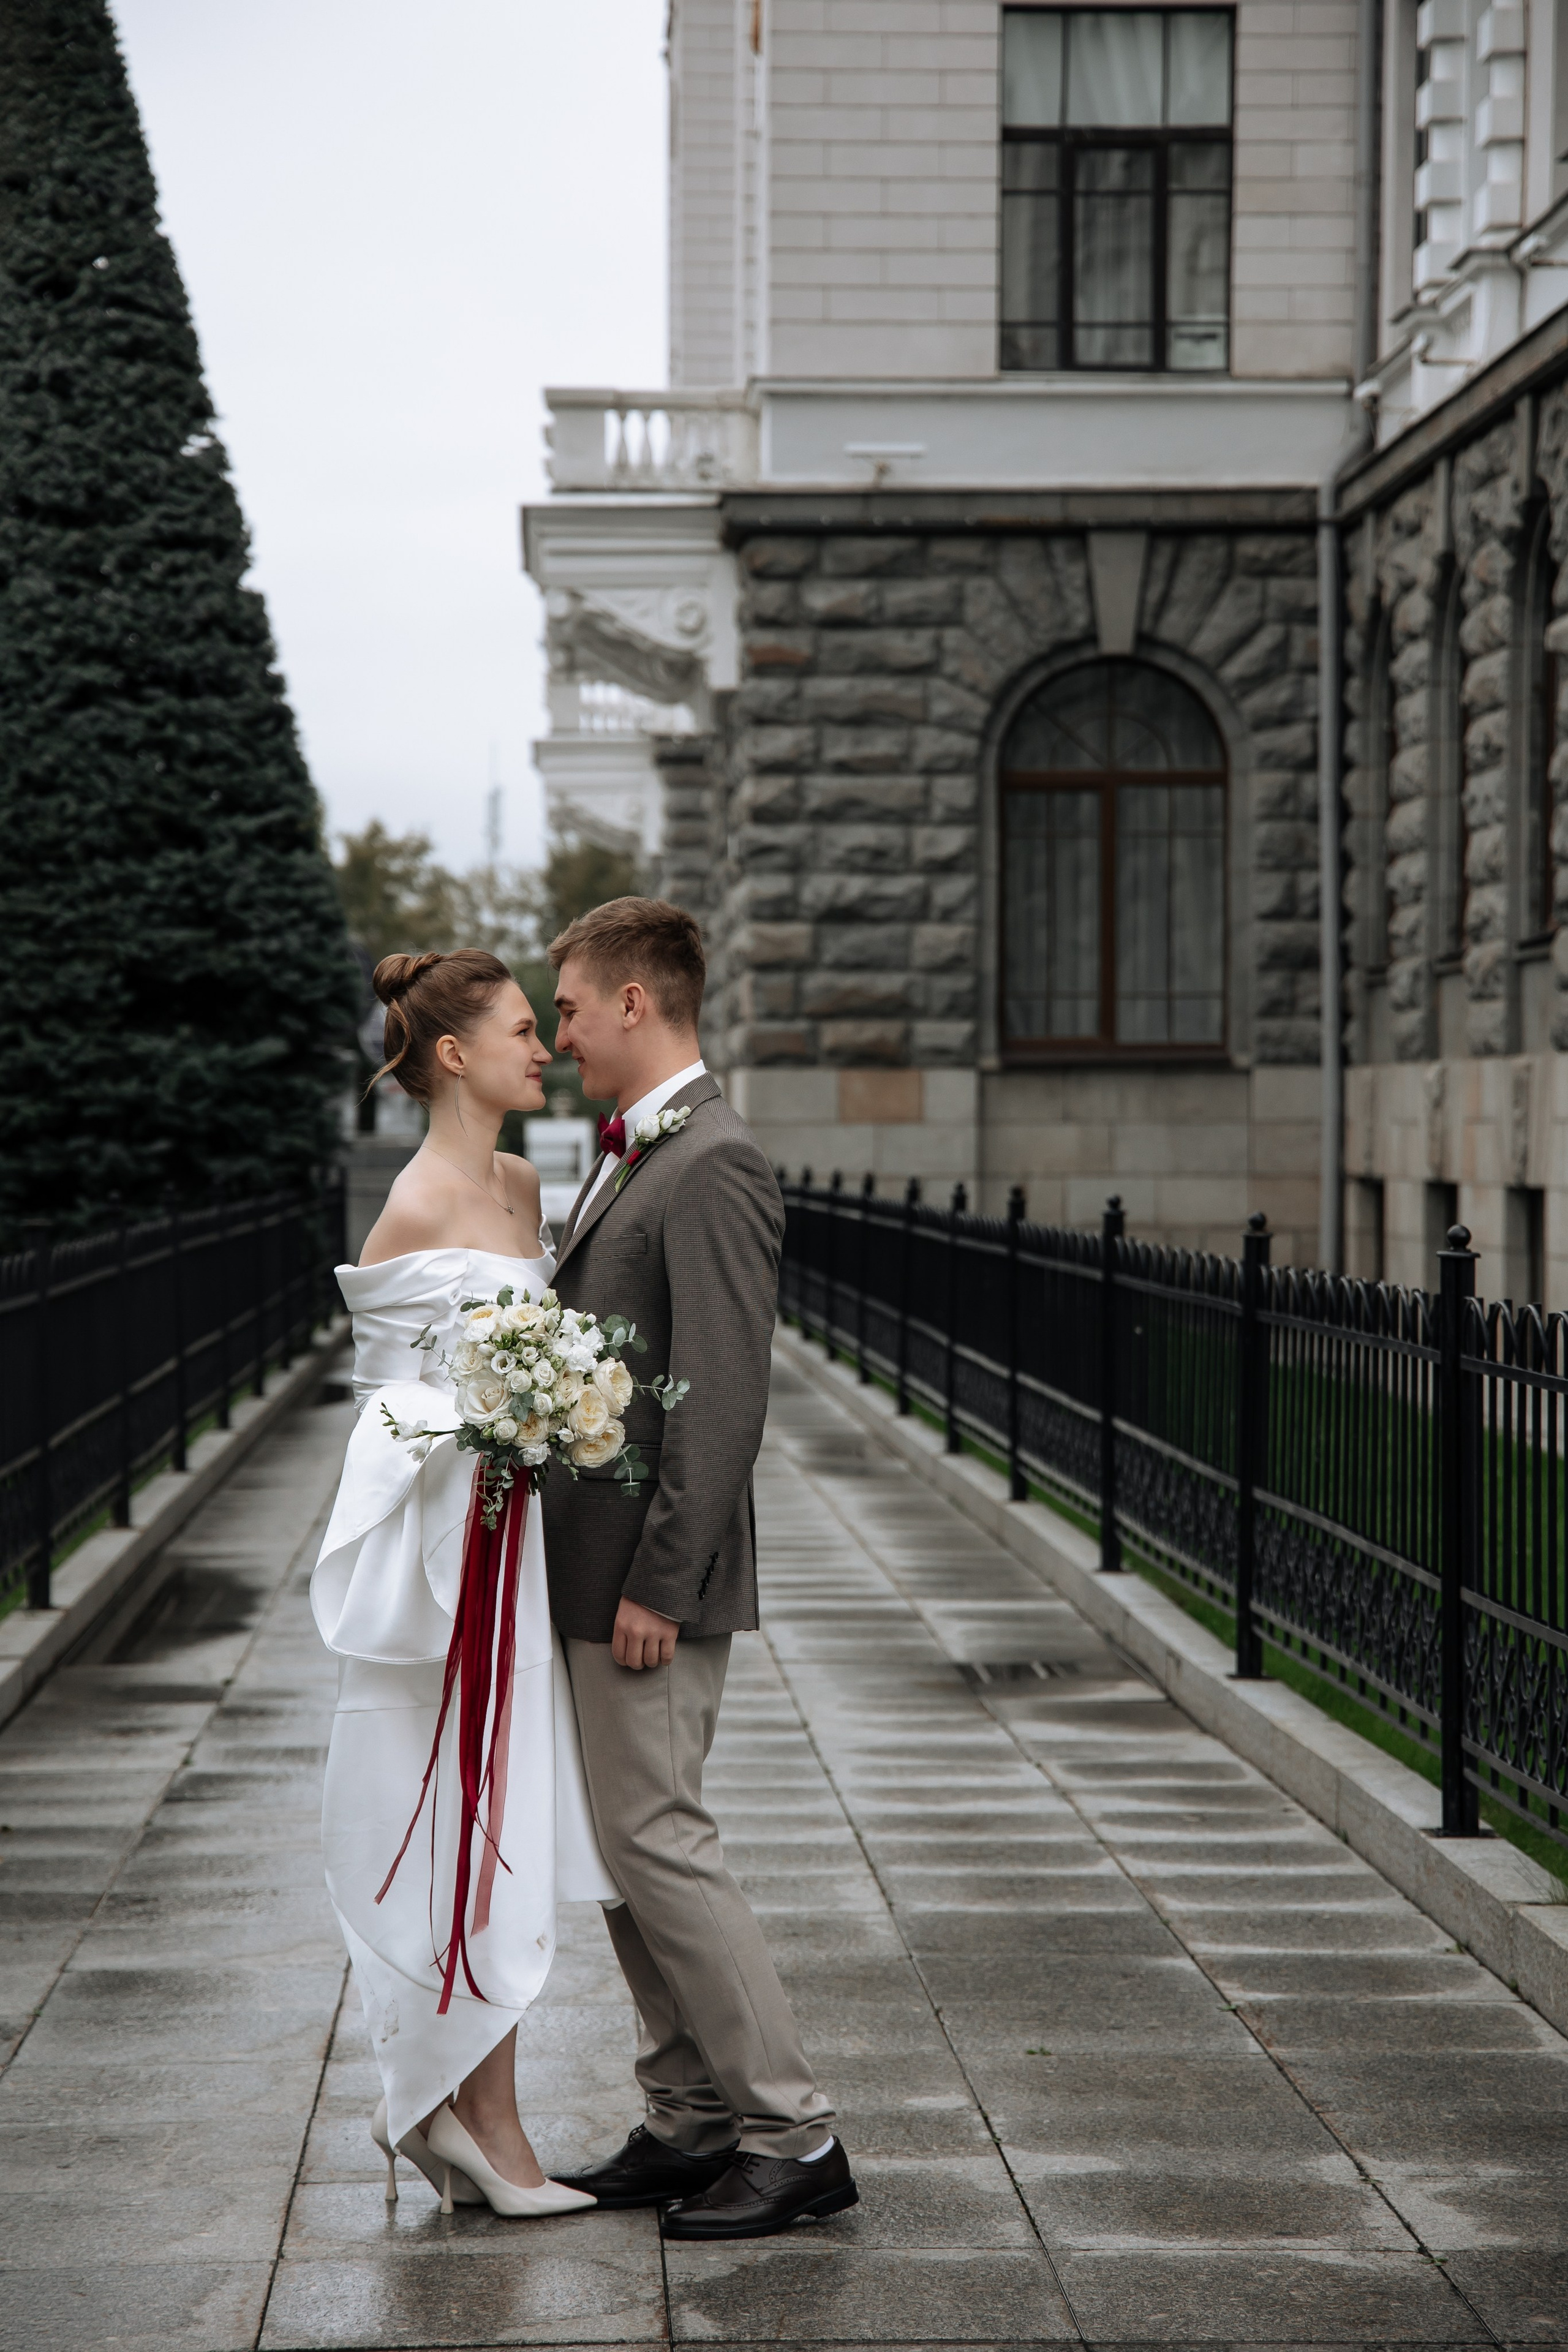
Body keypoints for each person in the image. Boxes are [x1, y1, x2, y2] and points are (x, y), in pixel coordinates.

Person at [543, 897, 857, 2240]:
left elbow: (721, 1402)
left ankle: (792, 2134)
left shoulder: (712, 1160)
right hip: (588, 1571)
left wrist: (659, 1584)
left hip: (644, 1589)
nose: (555, 1036)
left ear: (632, 1002)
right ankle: (688, 2119)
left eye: (564, 1008)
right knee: (622, 1854)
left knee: (660, 1845)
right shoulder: (633, 1153)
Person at [311, 948, 619, 2220]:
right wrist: (485, 1424)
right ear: (453, 1056)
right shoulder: (416, 1206)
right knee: (452, 1813)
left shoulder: (520, 1181)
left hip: (523, 1539)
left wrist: (549, 1416)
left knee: (509, 1815)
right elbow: (387, 1408)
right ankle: (467, 2116)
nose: (540, 1045)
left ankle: (479, 2118)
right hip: (452, 1554)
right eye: (514, 1030)